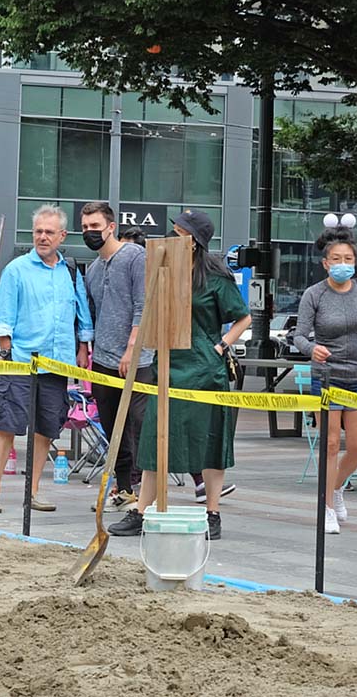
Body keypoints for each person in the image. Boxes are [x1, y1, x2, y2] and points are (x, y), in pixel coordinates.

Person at [109, 209, 252, 540]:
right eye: (172, 231)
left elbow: (243, 317)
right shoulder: (164, 271)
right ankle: (141, 512)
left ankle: (212, 513)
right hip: (167, 368)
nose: (172, 238)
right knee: (154, 441)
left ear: (194, 241)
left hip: (205, 372)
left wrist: (220, 347)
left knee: (211, 442)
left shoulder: (215, 278)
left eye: (179, 232)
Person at [0, 205, 93, 514]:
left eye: (49, 232)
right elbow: (2, 320)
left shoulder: (71, 272)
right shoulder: (16, 270)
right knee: (5, 425)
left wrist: (83, 346)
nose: (42, 237)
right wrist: (7, 353)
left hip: (57, 364)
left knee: (46, 429)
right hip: (21, 362)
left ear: (62, 236)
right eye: (38, 231)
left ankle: (34, 491)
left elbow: (82, 315)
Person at [294, 226, 357, 534]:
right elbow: (297, 336)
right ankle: (326, 508)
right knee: (331, 444)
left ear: (355, 261)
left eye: (348, 258)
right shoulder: (314, 294)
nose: (342, 263)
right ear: (325, 263)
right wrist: (312, 349)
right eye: (336, 258)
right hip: (327, 378)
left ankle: (335, 488)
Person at [80, 201, 154, 512]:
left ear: (111, 227)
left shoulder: (134, 256)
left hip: (138, 359)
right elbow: (92, 313)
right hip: (104, 359)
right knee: (111, 426)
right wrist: (85, 348)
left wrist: (132, 348)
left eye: (95, 227)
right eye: (84, 228)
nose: (89, 233)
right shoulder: (92, 269)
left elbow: (143, 304)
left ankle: (144, 489)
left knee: (137, 422)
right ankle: (124, 488)